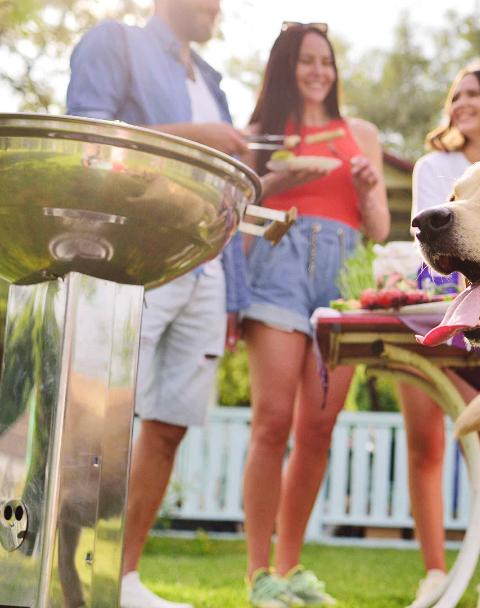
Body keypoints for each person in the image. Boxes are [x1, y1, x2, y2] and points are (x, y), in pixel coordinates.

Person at [65, 2, 259, 607]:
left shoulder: (213, 82)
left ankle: (120, 579)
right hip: (133, 260)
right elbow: (89, 136)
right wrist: (197, 140)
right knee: (97, 418)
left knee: (170, 426)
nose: (216, 7)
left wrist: (233, 295)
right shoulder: (115, 43)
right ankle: (70, 576)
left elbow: (229, 196)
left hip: (208, 274)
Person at [237, 22, 390, 608]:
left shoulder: (361, 134)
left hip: (344, 273)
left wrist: (369, 187)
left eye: (325, 61)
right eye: (306, 60)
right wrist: (281, 176)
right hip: (277, 261)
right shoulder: (261, 135)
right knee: (272, 422)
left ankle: (291, 567)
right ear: (286, 66)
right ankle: (259, 575)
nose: (318, 71)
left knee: (319, 428)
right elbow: (239, 211)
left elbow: (379, 228)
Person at [404, 67, 480, 608]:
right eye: (455, 96)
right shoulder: (434, 166)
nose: (459, 103)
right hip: (436, 309)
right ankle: (435, 573)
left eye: (472, 94)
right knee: (425, 444)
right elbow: (435, 248)